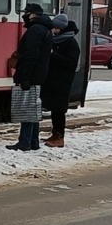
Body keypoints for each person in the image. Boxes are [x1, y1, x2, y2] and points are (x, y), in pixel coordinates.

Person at [9, 3, 54, 151]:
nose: (25, 15)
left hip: (31, 75)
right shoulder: (44, 29)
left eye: (27, 13)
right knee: (33, 108)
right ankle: (33, 141)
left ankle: (25, 142)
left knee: (27, 109)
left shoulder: (35, 30)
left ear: (34, 14)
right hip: (39, 74)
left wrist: (25, 78)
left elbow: (30, 56)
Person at [42, 15, 81, 148]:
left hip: (62, 82)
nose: (54, 30)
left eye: (57, 28)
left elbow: (70, 63)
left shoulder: (71, 43)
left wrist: (53, 54)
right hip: (52, 81)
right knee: (54, 110)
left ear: (62, 29)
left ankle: (60, 137)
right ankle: (55, 133)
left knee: (59, 111)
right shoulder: (55, 40)